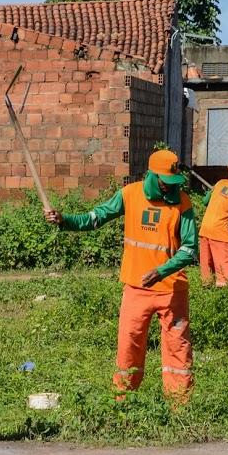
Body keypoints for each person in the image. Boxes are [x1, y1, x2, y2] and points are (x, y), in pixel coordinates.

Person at [44, 149, 198, 403]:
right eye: (164, 181)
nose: (169, 187)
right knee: (129, 346)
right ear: (151, 175)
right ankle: (123, 403)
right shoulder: (130, 194)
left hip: (173, 290)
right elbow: (95, 218)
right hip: (136, 288)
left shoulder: (182, 202)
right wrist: (65, 220)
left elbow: (189, 249)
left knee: (178, 348)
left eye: (173, 182)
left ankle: (180, 405)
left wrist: (162, 271)